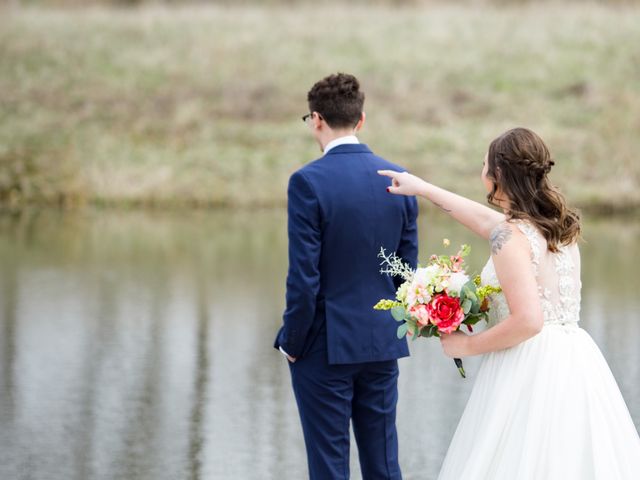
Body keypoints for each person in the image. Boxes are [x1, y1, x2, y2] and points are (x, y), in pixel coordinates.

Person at [379, 127, 640, 479]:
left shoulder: (509, 237)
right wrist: (421, 188)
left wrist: (467, 344)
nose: (481, 172)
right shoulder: (556, 228)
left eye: (484, 165)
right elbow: (483, 219)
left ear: (497, 175)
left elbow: (529, 320)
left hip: (528, 365)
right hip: (576, 360)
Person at [273, 73, 418, 479]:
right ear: (361, 119)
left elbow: (304, 278)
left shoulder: (308, 182)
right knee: (384, 464)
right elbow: (406, 267)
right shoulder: (397, 178)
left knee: (329, 468)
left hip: (323, 344)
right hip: (382, 341)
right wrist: (401, 320)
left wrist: (292, 342)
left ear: (316, 119)